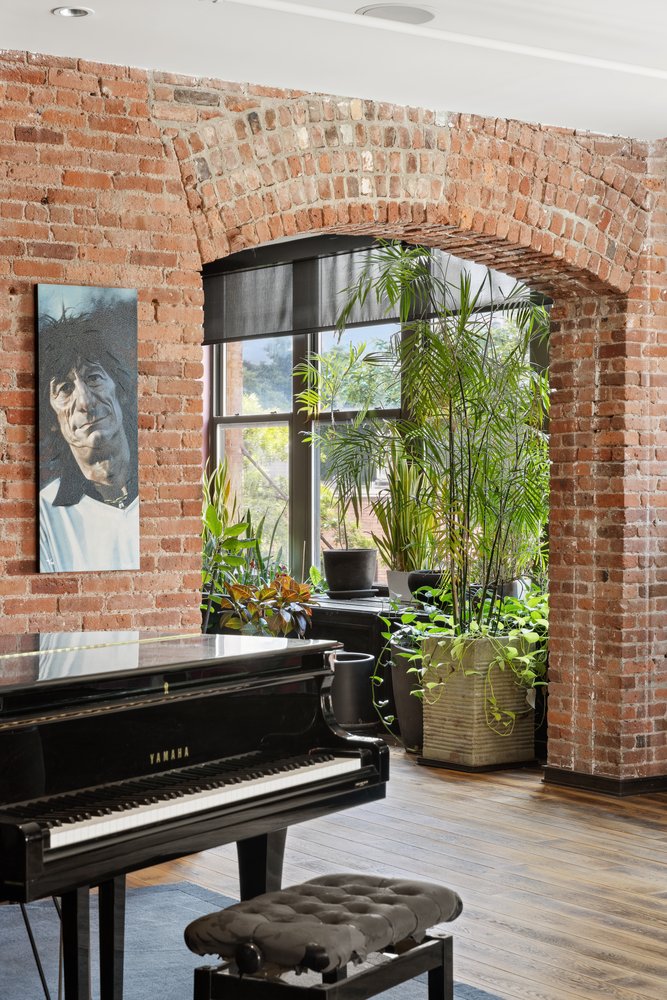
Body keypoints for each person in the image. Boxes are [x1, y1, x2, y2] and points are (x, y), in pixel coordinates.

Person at [38, 309, 139, 572]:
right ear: (51, 419)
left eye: (93, 377)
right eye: (65, 388)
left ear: (119, 390)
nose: (85, 401)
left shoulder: (162, 495)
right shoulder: (45, 513)